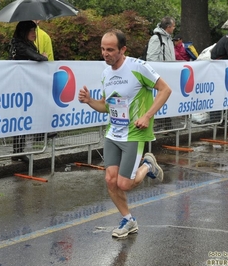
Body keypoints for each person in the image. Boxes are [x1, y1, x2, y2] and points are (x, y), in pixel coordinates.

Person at [78, 29, 172, 238]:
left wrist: (147, 116)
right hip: (113, 133)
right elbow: (106, 106)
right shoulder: (105, 74)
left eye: (110, 49)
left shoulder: (138, 67)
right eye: (103, 49)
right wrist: (89, 101)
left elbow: (165, 90)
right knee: (110, 180)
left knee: (124, 184)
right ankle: (128, 220)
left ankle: (147, 165)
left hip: (134, 133)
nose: (105, 54)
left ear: (123, 49)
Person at [9, 21, 48, 162]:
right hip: (18, 87)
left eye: (34, 30)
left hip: (27, 87)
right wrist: (43, 56)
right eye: (31, 30)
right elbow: (38, 57)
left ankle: (20, 150)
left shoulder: (29, 44)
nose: (34, 33)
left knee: (24, 117)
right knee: (20, 117)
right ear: (24, 32)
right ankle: (17, 151)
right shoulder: (19, 45)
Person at [146, 16, 176, 132]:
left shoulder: (168, 39)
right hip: (160, 75)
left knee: (167, 98)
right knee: (160, 98)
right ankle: (161, 124)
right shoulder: (156, 38)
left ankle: (167, 125)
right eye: (173, 26)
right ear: (168, 27)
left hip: (169, 73)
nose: (174, 29)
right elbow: (151, 58)